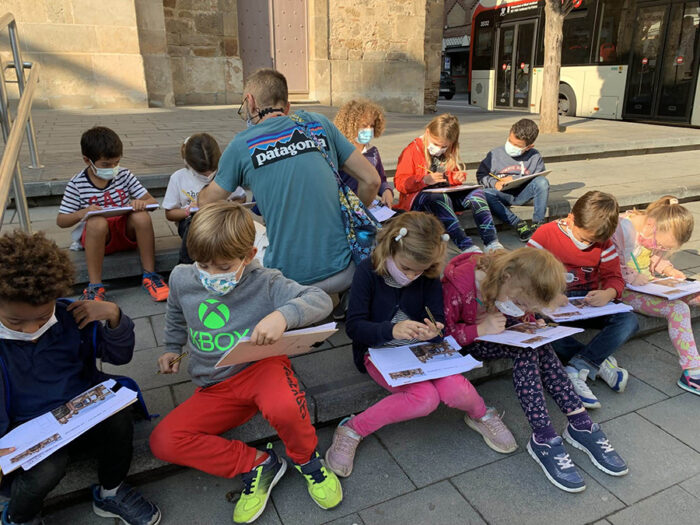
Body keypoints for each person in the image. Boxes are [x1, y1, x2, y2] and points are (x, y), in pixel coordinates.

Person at [149, 202, 342, 524]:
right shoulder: (182, 277)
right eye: (203, 265)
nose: (211, 276)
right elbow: (175, 315)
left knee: (285, 406)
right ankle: (258, 464)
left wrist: (282, 316)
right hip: (214, 385)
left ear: (249, 256)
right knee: (164, 441)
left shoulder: (265, 281)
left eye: (224, 267)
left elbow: (319, 299)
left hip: (260, 367)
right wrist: (171, 348)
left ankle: (307, 460)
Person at [325, 212, 516, 479]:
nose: (412, 276)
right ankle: (352, 429)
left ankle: (482, 414)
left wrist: (434, 329)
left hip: (423, 350)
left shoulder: (427, 275)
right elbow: (355, 327)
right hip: (379, 352)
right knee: (424, 399)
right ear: (391, 249)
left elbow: (437, 316)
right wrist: (391, 330)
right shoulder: (367, 272)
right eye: (406, 268)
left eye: (420, 270)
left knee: (456, 389)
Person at [0, 230, 160, 525]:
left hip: (78, 415)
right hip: (25, 431)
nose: (31, 330)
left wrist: (113, 315)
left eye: (42, 317)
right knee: (48, 468)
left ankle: (111, 492)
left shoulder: (70, 315)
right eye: (15, 322)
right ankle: (18, 517)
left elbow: (119, 356)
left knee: (120, 416)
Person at [442, 247, 628, 493]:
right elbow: (443, 337)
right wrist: (480, 329)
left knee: (539, 344)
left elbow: (512, 310)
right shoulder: (459, 285)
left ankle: (579, 422)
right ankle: (545, 435)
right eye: (520, 303)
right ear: (507, 277)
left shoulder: (510, 281)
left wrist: (528, 322)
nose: (521, 308)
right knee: (527, 351)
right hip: (469, 343)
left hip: (496, 332)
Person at [198, 69, 381, 295]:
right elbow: (372, 180)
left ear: (250, 102)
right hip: (346, 269)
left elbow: (207, 202)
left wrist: (203, 191)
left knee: (251, 236)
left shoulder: (242, 144)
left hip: (287, 280)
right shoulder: (319, 124)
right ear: (287, 107)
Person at [528, 191, 639, 409]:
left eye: (593, 241)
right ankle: (598, 362)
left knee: (628, 320)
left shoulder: (604, 243)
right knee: (540, 330)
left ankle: (578, 366)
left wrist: (608, 293)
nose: (588, 244)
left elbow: (615, 278)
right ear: (570, 219)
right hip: (552, 305)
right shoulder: (546, 234)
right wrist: (547, 294)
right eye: (584, 238)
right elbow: (524, 273)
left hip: (588, 303)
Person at [56, 126, 169, 302]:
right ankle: (95, 286)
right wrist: (83, 212)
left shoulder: (124, 174)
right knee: (96, 222)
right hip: (99, 237)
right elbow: (61, 220)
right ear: (87, 160)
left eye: (116, 162)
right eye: (106, 165)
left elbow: (152, 202)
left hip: (125, 234)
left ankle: (150, 275)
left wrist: (141, 203)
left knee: (141, 216)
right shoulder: (77, 184)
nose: (113, 168)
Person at [611, 196, 700, 395]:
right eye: (661, 245)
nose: (660, 249)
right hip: (626, 291)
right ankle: (692, 372)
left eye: (666, 249)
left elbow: (654, 258)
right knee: (678, 309)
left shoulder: (652, 230)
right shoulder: (619, 230)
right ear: (651, 225)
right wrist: (632, 276)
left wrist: (669, 271)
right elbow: (609, 265)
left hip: (650, 286)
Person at [394, 114, 503, 253]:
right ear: (427, 132)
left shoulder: (449, 150)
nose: (439, 148)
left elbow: (446, 177)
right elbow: (400, 183)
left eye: (444, 146)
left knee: (476, 194)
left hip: (444, 195)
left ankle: (491, 242)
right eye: (435, 144)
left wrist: (455, 177)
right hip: (420, 199)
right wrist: (423, 180)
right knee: (440, 198)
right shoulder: (412, 150)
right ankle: (466, 246)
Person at [162, 133, 267, 264]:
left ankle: (240, 262)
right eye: (201, 173)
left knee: (240, 223)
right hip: (193, 223)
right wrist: (189, 210)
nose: (207, 176)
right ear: (187, 163)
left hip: (221, 219)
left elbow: (241, 198)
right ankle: (186, 264)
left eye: (212, 171)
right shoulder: (179, 178)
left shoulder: (223, 174)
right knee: (195, 223)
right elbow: (170, 213)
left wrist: (227, 203)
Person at [476, 118, 549, 242]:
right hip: (501, 194)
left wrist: (515, 178)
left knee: (542, 182)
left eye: (517, 146)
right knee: (484, 194)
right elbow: (481, 175)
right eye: (510, 141)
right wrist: (494, 183)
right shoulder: (495, 155)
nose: (512, 146)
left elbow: (538, 178)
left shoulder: (535, 156)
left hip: (523, 194)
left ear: (529, 147)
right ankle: (518, 224)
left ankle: (538, 224)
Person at [333, 99, 394, 207]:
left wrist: (386, 190)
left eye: (372, 126)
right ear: (350, 125)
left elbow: (380, 179)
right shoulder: (338, 152)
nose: (369, 130)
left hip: (370, 206)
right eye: (364, 125)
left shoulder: (373, 152)